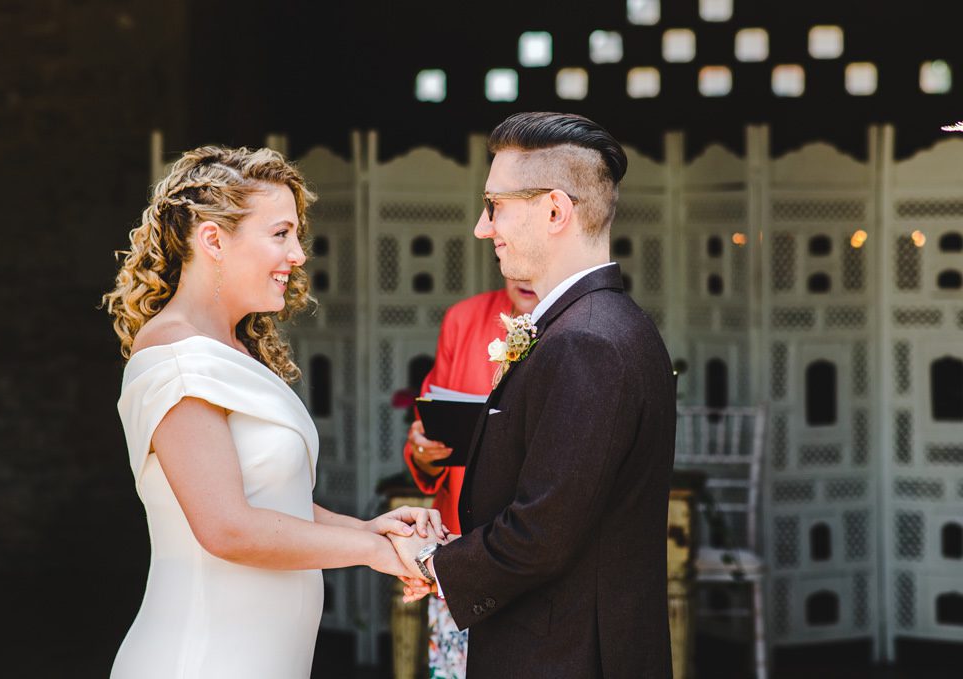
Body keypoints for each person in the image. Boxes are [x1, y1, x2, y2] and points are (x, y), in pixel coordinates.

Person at [101, 145, 445, 679]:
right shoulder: (176, 357)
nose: (299, 254)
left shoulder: (233, 349)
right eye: (280, 233)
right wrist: (372, 552)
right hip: (203, 658)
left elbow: (271, 501)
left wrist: (373, 530)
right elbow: (227, 528)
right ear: (213, 239)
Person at [391, 112, 676, 678]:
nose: (481, 226)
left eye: (494, 205)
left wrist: (433, 563)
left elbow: (541, 533)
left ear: (554, 211)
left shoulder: (587, 342)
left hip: (563, 656)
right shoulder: (604, 324)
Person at [401, 274, 538, 679]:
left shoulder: (576, 326)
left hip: (532, 550)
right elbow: (428, 430)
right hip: (461, 546)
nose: (523, 275)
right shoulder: (464, 319)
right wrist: (424, 450)